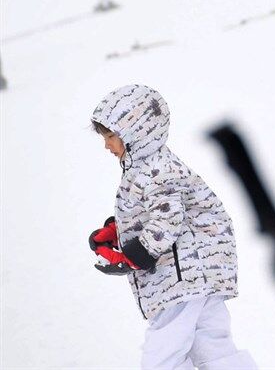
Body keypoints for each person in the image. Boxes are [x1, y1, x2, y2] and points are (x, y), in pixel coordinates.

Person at [90, 84, 256, 369]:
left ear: (136, 133)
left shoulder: (156, 170)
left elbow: (167, 220)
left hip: (181, 276)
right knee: (213, 349)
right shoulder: (150, 167)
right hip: (199, 272)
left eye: (111, 136)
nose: (107, 145)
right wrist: (117, 231)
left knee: (162, 356)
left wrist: (135, 255)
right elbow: (162, 213)